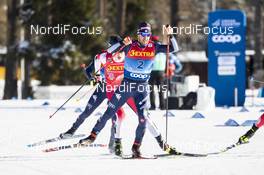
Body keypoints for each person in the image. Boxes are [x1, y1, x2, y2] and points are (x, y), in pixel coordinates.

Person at [79, 22, 179, 157]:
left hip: (142, 87)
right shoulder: (130, 45)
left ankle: (136, 148)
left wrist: (170, 35)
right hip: (126, 85)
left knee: (143, 119)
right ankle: (92, 136)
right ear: (138, 35)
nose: (146, 37)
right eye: (143, 34)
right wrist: (122, 44)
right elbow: (110, 51)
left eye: (148, 34)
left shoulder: (154, 46)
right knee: (110, 112)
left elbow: (173, 48)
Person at [149, 36, 166, 110]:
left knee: (151, 89)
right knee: (161, 89)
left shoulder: (152, 48)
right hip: (161, 71)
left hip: (152, 70)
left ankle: (153, 106)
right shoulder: (163, 48)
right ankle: (162, 106)